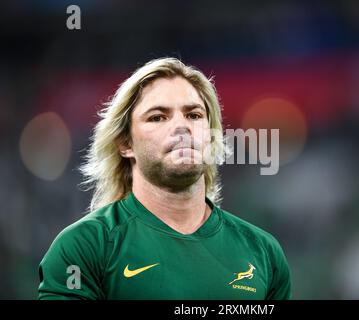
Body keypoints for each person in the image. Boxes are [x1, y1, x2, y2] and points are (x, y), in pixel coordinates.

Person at [38, 57, 291, 300]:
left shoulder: (264, 252)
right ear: (126, 143)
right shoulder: (83, 247)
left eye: (194, 115)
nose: (182, 126)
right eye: (158, 117)